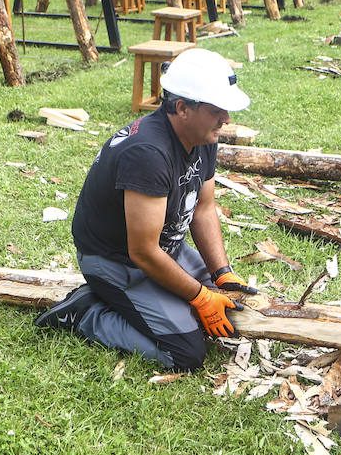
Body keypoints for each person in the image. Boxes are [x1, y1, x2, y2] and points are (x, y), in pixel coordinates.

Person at [33, 48, 253, 372]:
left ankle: (156, 300)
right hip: (117, 261)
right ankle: (86, 312)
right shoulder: (148, 154)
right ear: (182, 108)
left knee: (228, 299)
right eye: (217, 109)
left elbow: (204, 209)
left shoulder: (204, 136)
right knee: (186, 353)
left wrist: (221, 272)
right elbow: (143, 253)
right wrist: (199, 297)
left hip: (164, 248)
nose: (227, 119)